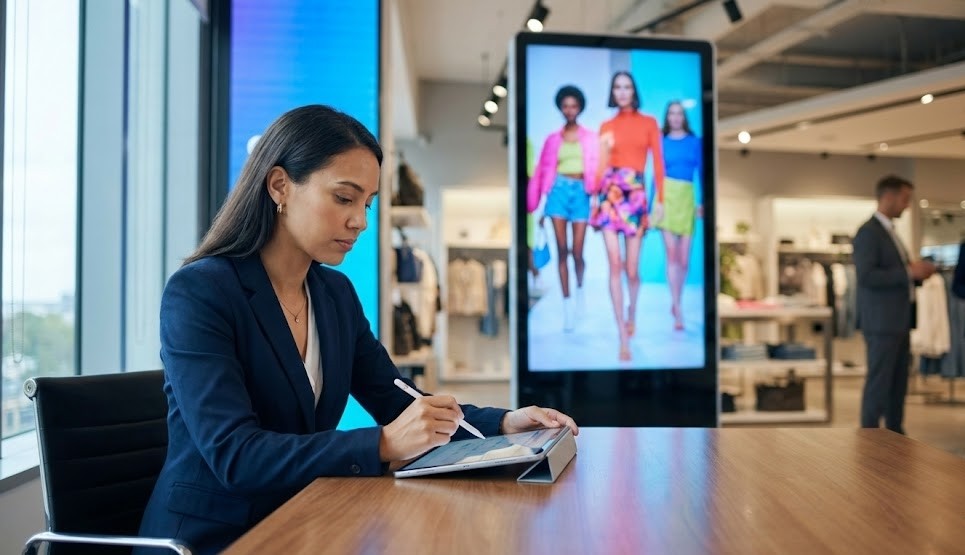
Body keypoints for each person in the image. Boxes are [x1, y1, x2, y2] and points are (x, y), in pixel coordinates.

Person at [136, 105, 579, 554]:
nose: (361, 222)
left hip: (302, 521)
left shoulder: (334, 295)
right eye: (344, 199)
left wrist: (504, 423)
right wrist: (385, 443)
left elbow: (398, 398)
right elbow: (235, 455)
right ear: (280, 186)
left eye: (367, 204)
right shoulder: (201, 292)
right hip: (209, 539)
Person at [589, 71, 665, 361]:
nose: (622, 92)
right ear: (613, 91)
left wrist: (661, 199)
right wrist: (595, 195)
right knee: (615, 264)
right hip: (610, 193)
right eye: (617, 87)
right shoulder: (606, 125)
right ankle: (622, 334)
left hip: (634, 194)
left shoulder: (649, 123)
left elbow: (658, 162)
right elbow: (600, 166)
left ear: (634, 91)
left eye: (627, 87)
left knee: (632, 269)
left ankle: (632, 311)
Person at [853, 175, 936, 434]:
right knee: (880, 381)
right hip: (882, 323)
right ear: (888, 197)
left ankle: (894, 433)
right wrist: (908, 273)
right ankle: (870, 434)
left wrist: (916, 273)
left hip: (898, 320)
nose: (907, 205)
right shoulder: (869, 233)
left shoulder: (890, 233)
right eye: (904, 199)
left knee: (898, 382)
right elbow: (866, 276)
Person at [527, 85, 599, 331]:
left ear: (579, 107)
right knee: (562, 250)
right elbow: (541, 172)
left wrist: (598, 198)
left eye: (574, 105)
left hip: (581, 193)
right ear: (561, 108)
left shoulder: (590, 138)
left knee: (578, 251)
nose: (570, 109)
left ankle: (580, 292)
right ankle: (567, 308)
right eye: (565, 105)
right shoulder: (551, 139)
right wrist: (535, 205)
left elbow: (597, 169)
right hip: (557, 192)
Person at [655, 101, 702, 331]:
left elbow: (701, 173)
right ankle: (677, 306)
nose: (675, 117)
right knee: (671, 255)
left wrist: (701, 202)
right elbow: (657, 173)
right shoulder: (661, 142)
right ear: (667, 117)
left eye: (679, 113)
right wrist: (657, 202)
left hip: (686, 197)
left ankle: (678, 298)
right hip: (666, 196)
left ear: (684, 117)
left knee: (684, 259)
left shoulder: (695, 142)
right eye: (671, 113)